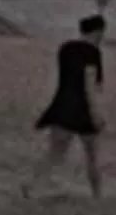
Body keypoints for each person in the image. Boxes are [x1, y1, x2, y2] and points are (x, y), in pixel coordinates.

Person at [27, 15, 109, 198]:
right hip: (83, 109)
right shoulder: (93, 52)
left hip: (63, 104)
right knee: (92, 155)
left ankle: (32, 186)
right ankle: (97, 194)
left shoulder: (66, 49)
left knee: (54, 153)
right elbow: (89, 84)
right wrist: (96, 114)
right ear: (98, 32)